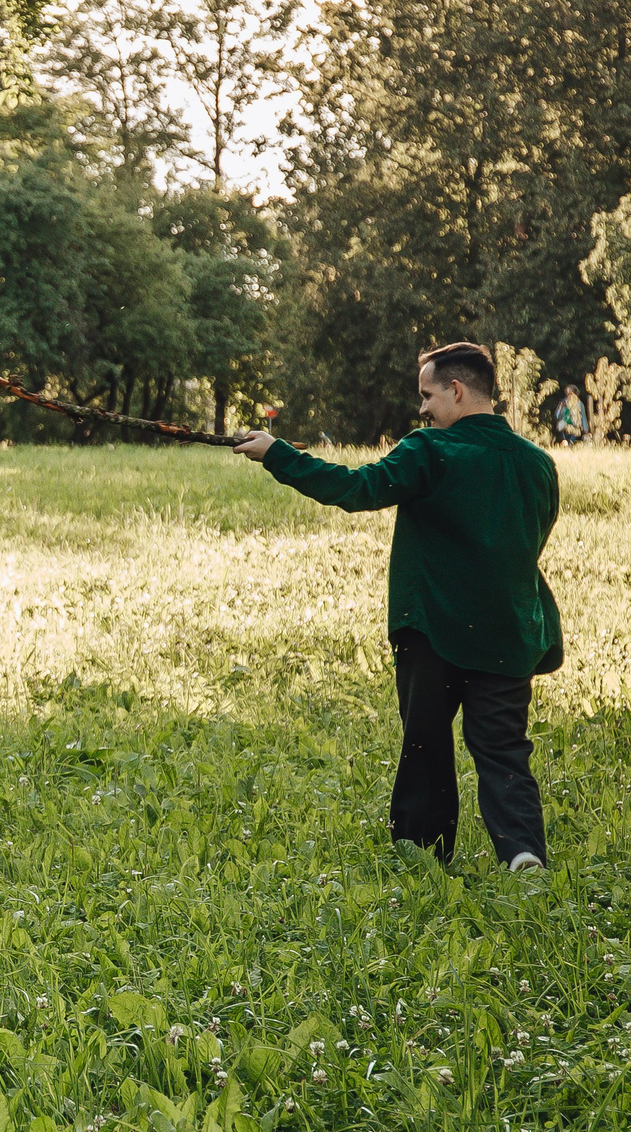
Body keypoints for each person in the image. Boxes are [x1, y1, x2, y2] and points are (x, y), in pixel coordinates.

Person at [228, 342, 562, 870]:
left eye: (428, 396)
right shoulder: (538, 465)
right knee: (504, 752)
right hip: (510, 634)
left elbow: (357, 487)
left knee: (426, 743)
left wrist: (276, 453)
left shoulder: (431, 452)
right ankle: (524, 855)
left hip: (432, 629)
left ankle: (423, 857)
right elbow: (532, 539)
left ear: (456, 391)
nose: (423, 409)